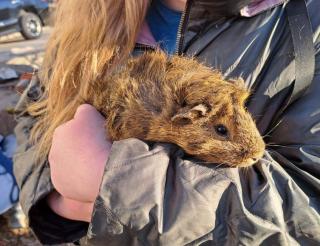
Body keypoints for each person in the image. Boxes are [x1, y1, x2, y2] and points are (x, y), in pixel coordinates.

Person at [13, 0, 320, 244]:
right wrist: (51, 199)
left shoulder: (309, 20)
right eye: (222, 131)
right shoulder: (85, 13)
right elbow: (31, 113)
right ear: (185, 116)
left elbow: (309, 210)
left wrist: (113, 185)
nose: (255, 152)